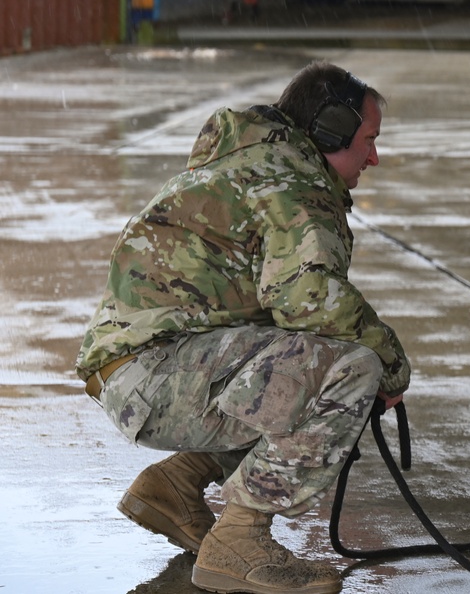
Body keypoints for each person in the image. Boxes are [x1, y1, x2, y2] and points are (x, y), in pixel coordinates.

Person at [76, 61, 410, 594]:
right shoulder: (293, 184)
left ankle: (177, 486)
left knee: (306, 361)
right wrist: (390, 363)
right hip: (159, 375)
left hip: (142, 370)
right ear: (329, 130)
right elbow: (309, 301)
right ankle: (241, 539)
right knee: (349, 369)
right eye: (368, 140)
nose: (374, 156)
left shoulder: (254, 161)